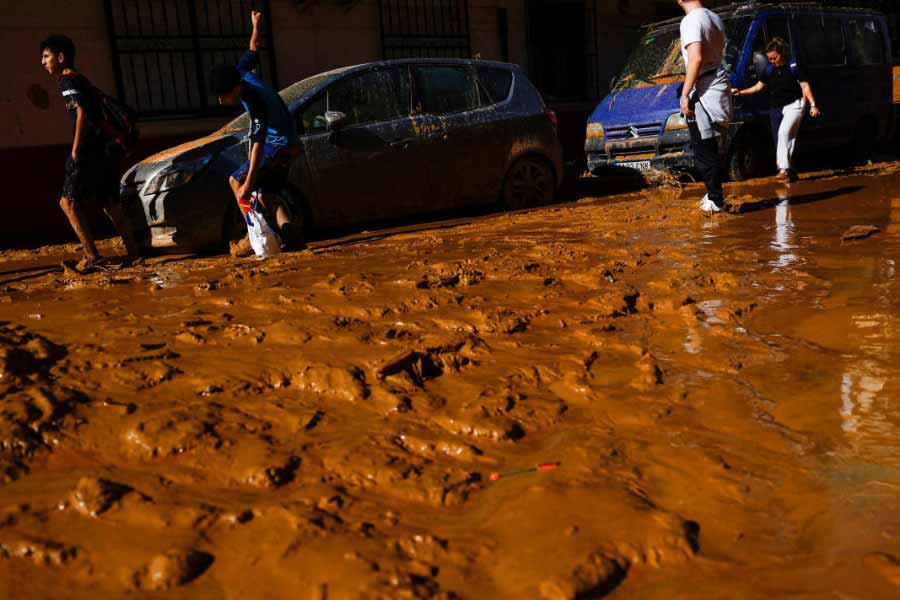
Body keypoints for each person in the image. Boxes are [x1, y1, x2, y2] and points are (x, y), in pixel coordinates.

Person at [40, 35, 142, 271]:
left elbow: (81, 114)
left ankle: (91, 255)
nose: (42, 62)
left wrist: (75, 150)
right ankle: (134, 252)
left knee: (67, 202)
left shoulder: (67, 81)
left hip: (89, 150)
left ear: (61, 58)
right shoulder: (81, 79)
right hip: (106, 150)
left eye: (46, 56)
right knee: (109, 202)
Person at [208, 11, 301, 255]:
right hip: (288, 140)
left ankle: (254, 237)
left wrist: (246, 184)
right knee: (267, 194)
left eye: (223, 95)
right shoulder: (241, 71)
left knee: (236, 181)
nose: (221, 101)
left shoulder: (255, 101)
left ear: (235, 88)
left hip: (276, 144)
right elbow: (254, 48)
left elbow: (259, 147)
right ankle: (291, 235)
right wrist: (256, 25)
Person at [732, 37, 821, 182]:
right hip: (775, 108)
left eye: (775, 58)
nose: (772, 61)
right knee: (785, 139)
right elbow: (758, 87)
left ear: (782, 54)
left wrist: (813, 105)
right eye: (770, 59)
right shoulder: (769, 70)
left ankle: (782, 169)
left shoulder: (793, 66)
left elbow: (805, 86)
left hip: (795, 105)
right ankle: (790, 171)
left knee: (784, 133)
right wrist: (740, 92)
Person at [678, 0, 733, 213]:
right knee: (710, 146)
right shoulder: (714, 17)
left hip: (703, 90)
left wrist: (684, 93)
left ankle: (715, 199)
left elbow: (696, 58)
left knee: (703, 149)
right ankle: (713, 194)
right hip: (717, 86)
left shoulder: (691, 20)